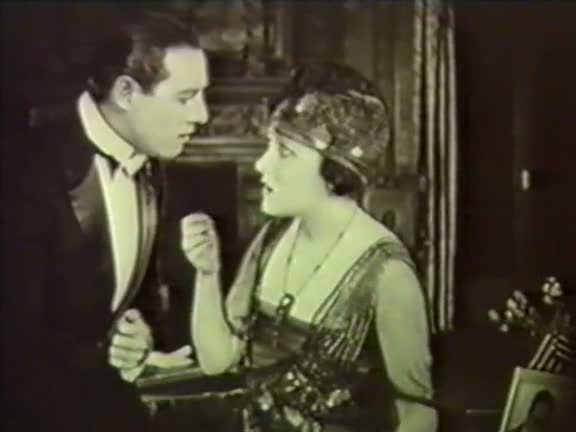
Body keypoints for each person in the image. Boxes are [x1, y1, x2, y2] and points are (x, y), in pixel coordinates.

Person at [182, 63, 437, 431]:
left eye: (285, 151)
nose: (261, 164)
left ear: (335, 171)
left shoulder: (387, 273)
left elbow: (418, 413)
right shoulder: (271, 239)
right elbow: (217, 360)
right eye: (269, 146)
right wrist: (207, 273)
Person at [1, 12, 209, 432]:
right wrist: (103, 353)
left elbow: (133, 297)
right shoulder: (21, 170)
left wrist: (139, 334)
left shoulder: (151, 158)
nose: (202, 115)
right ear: (126, 92)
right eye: (185, 98)